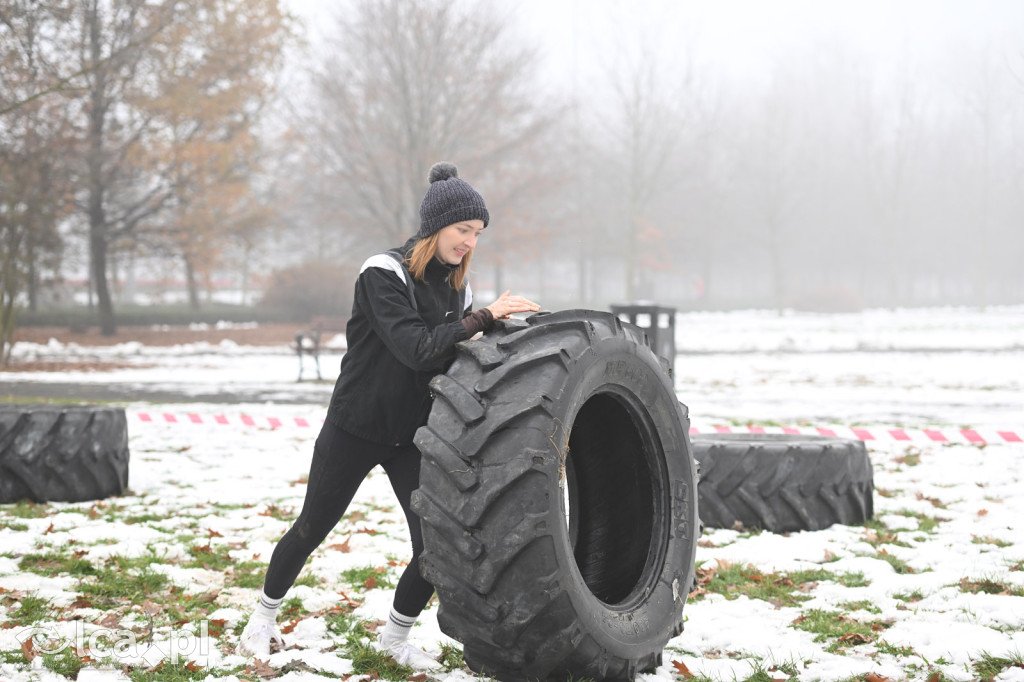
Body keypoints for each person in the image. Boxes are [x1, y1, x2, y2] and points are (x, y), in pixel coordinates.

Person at [237, 162, 540, 668]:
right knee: (312, 527)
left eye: (478, 233)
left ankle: (396, 639)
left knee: (434, 549)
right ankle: (261, 622)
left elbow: (452, 356)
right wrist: (482, 318)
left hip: (414, 438)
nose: (470, 242)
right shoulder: (383, 272)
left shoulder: (457, 289)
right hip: (355, 428)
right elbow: (416, 349)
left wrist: (496, 339)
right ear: (435, 226)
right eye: (463, 229)